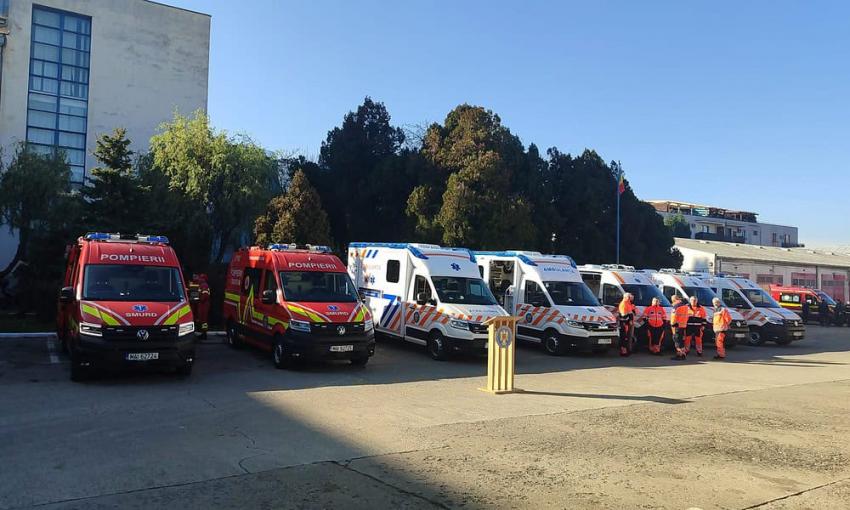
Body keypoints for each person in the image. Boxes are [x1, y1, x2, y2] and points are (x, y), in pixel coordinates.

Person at [670, 296, 690, 361]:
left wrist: (672, 324)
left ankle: (680, 355)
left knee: (677, 341)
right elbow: (687, 316)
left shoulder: (676, 306)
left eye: (672, 300)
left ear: (674, 300)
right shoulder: (685, 306)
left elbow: (673, 316)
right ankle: (682, 354)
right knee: (681, 341)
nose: (672, 302)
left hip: (677, 325)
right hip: (683, 325)